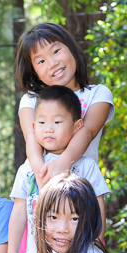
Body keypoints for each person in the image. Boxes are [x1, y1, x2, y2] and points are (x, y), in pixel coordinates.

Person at [5, 86, 109, 253]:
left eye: (57, 122)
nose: (48, 129)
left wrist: (97, 244)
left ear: (77, 126)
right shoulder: (27, 169)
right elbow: (18, 213)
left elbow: (98, 207)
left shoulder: (86, 167)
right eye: (42, 122)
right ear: (33, 126)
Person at [14, 22, 114, 188]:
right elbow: (31, 138)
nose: (52, 63)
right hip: (39, 185)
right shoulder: (31, 100)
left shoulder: (98, 94)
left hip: (83, 187)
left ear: (71, 49)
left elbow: (87, 131)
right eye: (41, 61)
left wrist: (62, 165)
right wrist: (42, 176)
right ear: (34, 72)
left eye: (56, 51)